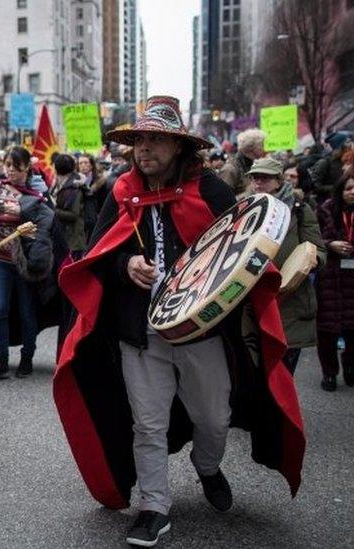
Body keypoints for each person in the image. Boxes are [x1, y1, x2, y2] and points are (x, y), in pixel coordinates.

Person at [54, 96, 304, 548]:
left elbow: (243, 251)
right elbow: (99, 256)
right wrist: (126, 265)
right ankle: (154, 507)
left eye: (155, 139)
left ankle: (207, 467)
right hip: (140, 332)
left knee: (214, 418)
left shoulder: (211, 191)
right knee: (147, 424)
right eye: (139, 140)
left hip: (201, 331)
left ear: (179, 146)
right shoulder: (120, 190)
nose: (144, 148)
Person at [246, 157, 326, 375]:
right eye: (254, 178)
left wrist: (307, 262)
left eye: (264, 178)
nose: (258, 183)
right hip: (251, 299)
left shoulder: (300, 210)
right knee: (253, 376)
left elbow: (318, 249)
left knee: (282, 375)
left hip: (288, 300)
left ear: (279, 181)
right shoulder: (243, 207)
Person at [0, 146, 54, 382]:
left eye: (16, 166)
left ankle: (27, 357)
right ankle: (1, 360)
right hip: (0, 261)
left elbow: (47, 223)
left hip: (24, 264)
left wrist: (20, 211)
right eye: (8, 165)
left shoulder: (36, 194)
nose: (11, 171)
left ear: (26, 169)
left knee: (26, 312)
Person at [315, 169, 354, 390]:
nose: (352, 192)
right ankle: (329, 373)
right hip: (331, 275)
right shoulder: (326, 209)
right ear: (340, 190)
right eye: (348, 188)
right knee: (327, 329)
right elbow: (314, 236)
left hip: (352, 277)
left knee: (352, 328)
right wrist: (331, 244)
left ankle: (350, 366)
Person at [51, 154, 87, 259]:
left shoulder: (75, 187)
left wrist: (53, 210)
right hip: (62, 238)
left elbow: (74, 214)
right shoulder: (58, 184)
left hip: (73, 242)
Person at [220, 128, 266, 198]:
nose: (264, 149)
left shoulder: (252, 165)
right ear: (252, 148)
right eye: (262, 145)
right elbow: (223, 200)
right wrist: (250, 191)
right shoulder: (230, 169)